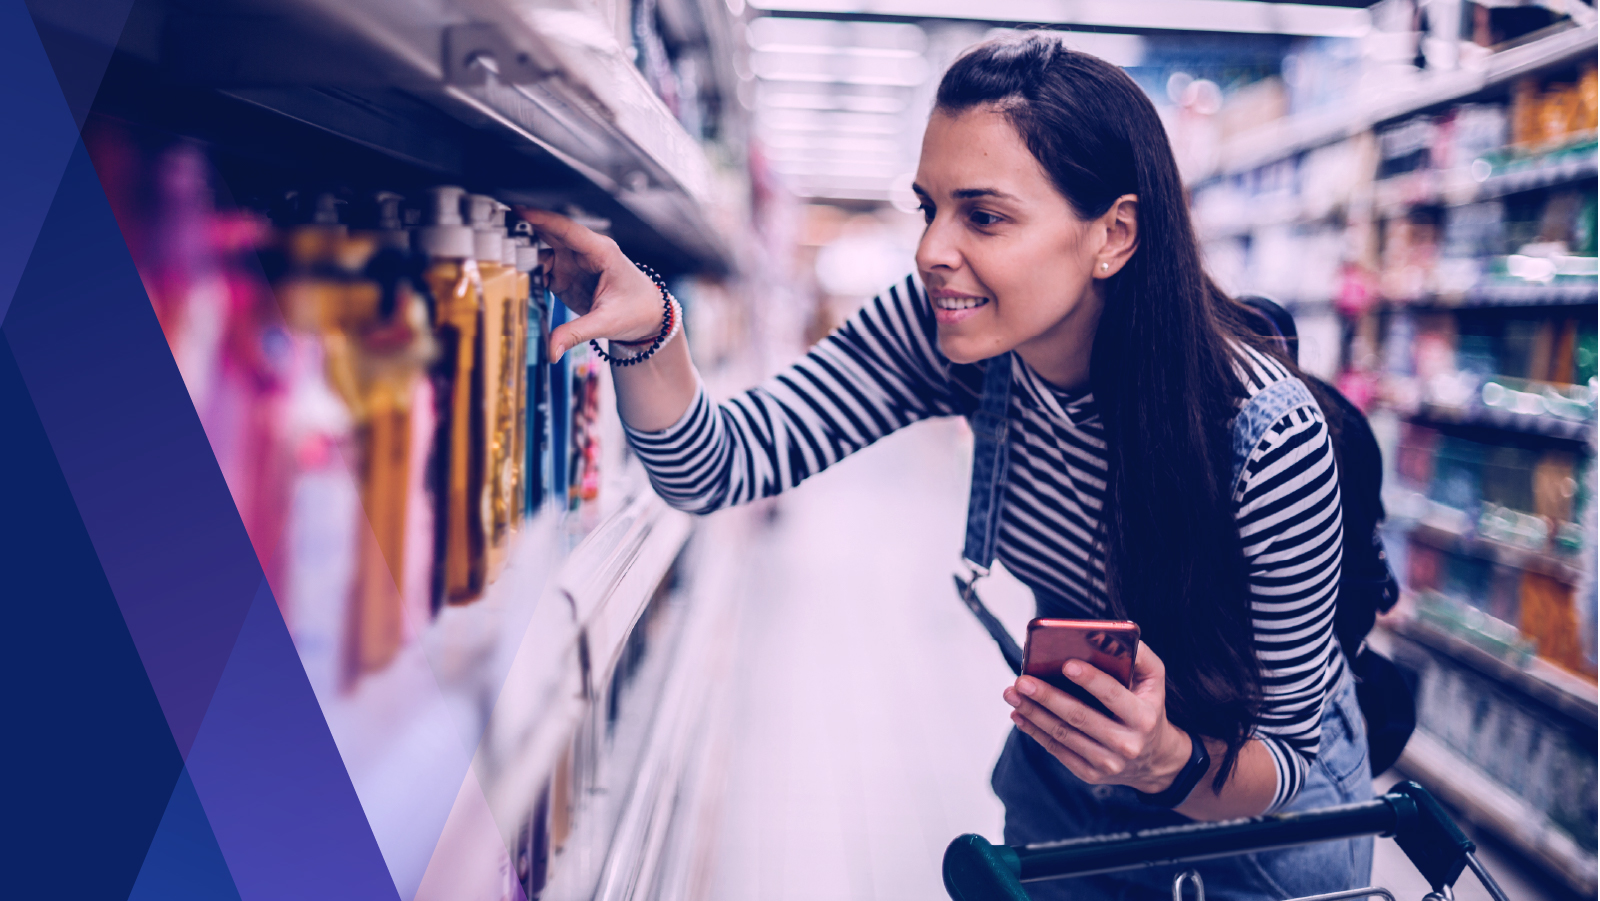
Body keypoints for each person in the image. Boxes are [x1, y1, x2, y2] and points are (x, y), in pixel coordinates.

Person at [520, 32, 1372, 901]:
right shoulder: (945, 329)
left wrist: (1162, 760)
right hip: (1070, 789)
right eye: (929, 207)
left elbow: (1290, 757)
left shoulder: (1265, 435)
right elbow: (720, 465)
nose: (931, 250)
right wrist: (646, 328)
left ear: (1114, 233)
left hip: (1254, 834)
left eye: (985, 215)